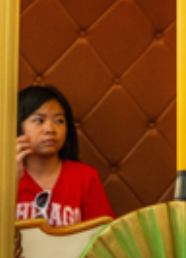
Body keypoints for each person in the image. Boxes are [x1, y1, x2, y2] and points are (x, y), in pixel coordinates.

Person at [16, 85, 113, 227]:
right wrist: (10, 181)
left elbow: (105, 238)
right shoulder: (6, 176)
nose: (50, 129)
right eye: (39, 120)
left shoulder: (85, 177)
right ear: (18, 125)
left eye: (59, 121)